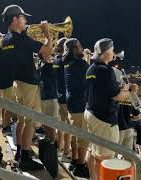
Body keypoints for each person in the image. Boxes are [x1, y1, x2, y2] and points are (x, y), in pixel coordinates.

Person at [1, 4, 52, 170]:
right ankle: (25, 156)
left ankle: (20, 154)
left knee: (23, 120)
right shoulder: (22, 39)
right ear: (15, 19)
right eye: (23, 18)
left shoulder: (6, 39)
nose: (26, 21)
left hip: (17, 84)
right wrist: (46, 33)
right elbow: (47, 52)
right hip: (28, 84)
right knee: (29, 122)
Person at [84, 38, 122, 180]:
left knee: (93, 150)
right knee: (104, 157)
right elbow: (116, 96)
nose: (113, 54)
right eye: (112, 51)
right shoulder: (106, 70)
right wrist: (128, 91)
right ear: (106, 53)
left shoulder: (91, 68)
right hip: (103, 118)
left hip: (91, 113)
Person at [63, 38, 89, 177]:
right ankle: (80, 166)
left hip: (71, 101)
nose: (82, 48)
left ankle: (74, 160)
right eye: (79, 47)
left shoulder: (67, 62)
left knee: (74, 134)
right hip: (80, 103)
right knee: (83, 137)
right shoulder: (81, 63)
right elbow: (90, 78)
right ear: (74, 49)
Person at [53, 37, 71, 162]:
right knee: (68, 127)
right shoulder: (64, 61)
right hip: (65, 97)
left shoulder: (56, 59)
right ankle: (66, 152)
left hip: (58, 95)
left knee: (61, 125)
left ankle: (60, 148)